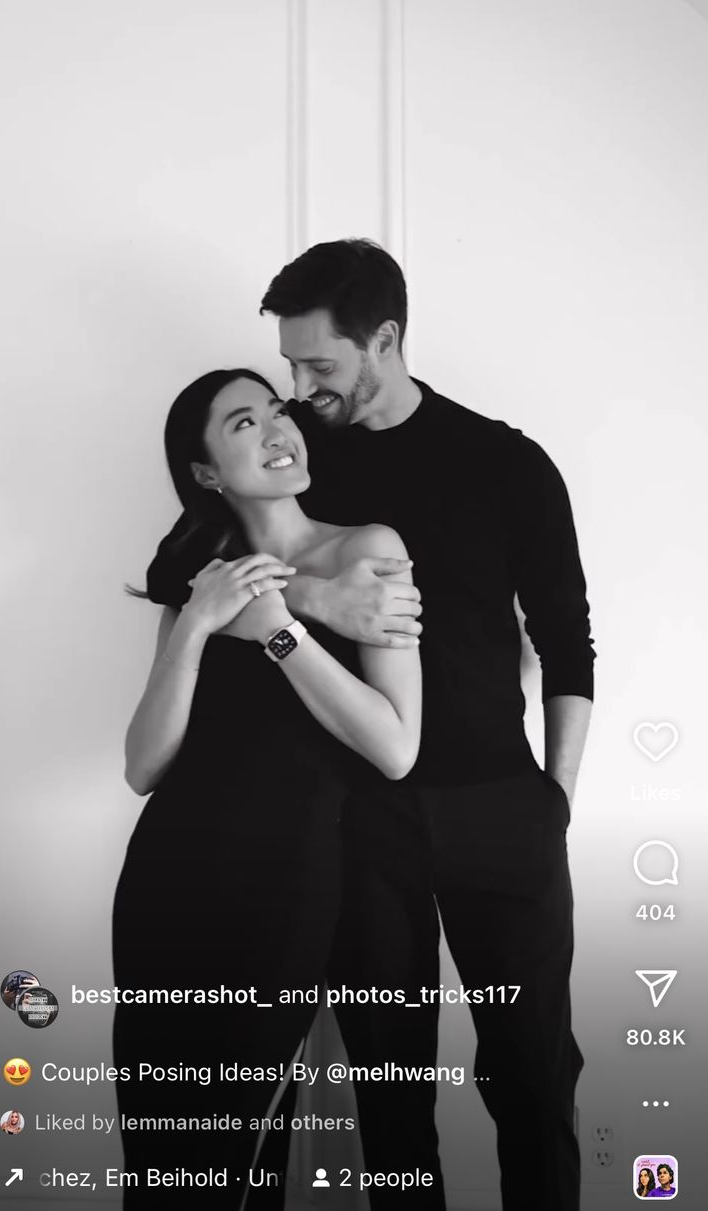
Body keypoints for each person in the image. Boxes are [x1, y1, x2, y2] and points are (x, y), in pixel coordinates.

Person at [258, 238, 595, 1211]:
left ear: (386, 338)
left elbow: (567, 643)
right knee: (391, 1097)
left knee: (532, 1081)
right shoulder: (301, 463)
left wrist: (555, 802)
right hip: (364, 819)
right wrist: (317, 605)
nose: (300, 388)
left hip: (502, 808)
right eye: (289, 365)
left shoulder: (507, 460)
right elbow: (236, 573)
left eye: (319, 363)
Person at [112, 368, 421, 1208]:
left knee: (235, 1147)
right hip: (169, 877)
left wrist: (280, 628)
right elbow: (145, 765)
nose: (280, 427)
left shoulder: (366, 550)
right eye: (246, 422)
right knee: (161, 1158)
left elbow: (394, 746)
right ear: (207, 471)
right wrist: (201, 620)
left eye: (278, 410)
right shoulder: (191, 570)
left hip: (286, 879)